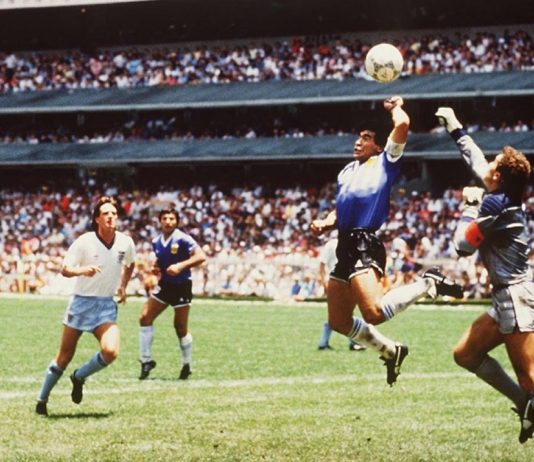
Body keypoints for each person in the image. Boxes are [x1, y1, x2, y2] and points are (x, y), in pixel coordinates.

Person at [311, 96, 463, 386]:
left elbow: (403, 124)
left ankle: (427, 283)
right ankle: (392, 351)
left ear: (379, 146)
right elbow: (341, 208)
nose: (359, 142)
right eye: (359, 137)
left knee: (375, 313)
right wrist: (326, 222)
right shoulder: (347, 171)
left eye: (366, 138)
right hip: (344, 244)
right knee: (338, 321)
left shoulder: (385, 161)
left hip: (364, 243)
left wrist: (395, 108)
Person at [435, 107, 534, 443]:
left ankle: (528, 399)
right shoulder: (501, 196)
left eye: (494, 164)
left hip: (516, 298)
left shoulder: (495, 205)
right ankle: (526, 405)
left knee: (530, 378)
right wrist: (455, 127)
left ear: (500, 177)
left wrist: (468, 208)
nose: (487, 165)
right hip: (507, 297)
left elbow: (462, 246)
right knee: (465, 353)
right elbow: (476, 159)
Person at [35, 196, 136, 416]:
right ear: (97, 219)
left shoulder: (125, 242)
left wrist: (123, 286)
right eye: (106, 213)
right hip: (81, 303)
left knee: (110, 351)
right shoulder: (85, 241)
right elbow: (65, 269)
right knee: (64, 357)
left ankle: (79, 376)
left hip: (106, 305)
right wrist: (83, 270)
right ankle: (42, 400)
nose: (111, 217)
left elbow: (131, 263)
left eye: (114, 213)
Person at [138, 208, 207, 380]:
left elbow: (201, 256)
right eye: (165, 218)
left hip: (182, 286)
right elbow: (161, 260)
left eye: (171, 219)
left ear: (177, 221)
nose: (168, 222)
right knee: (145, 318)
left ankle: (186, 365)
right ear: (160, 221)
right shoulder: (156, 241)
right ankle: (146, 361)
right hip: (165, 285)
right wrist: (156, 267)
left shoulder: (183, 238)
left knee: (180, 327)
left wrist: (180, 266)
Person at [317, 238, 365, 351]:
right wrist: (323, 281)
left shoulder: (341, 243)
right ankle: (353, 343)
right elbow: (322, 264)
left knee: (341, 313)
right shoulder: (339, 243)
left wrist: (324, 281)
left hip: (340, 281)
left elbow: (322, 264)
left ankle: (325, 343)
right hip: (340, 281)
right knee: (342, 313)